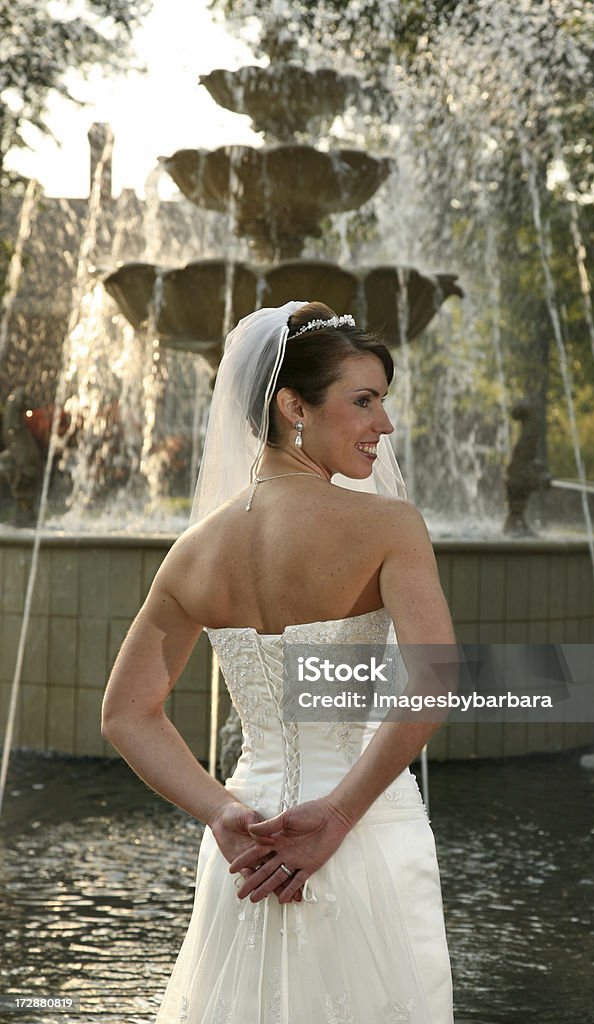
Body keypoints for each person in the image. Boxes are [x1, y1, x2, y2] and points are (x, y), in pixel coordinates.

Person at [101, 300, 455, 1023]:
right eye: (363, 402)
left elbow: (124, 714)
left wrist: (222, 813)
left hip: (247, 849)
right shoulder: (389, 525)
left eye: (381, 401)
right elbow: (435, 681)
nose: (383, 426)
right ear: (293, 405)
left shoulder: (194, 550)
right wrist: (334, 817)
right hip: (363, 832)